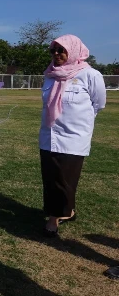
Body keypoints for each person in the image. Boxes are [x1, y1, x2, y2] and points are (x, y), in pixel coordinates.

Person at [40, 35, 106, 237]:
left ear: (74, 51)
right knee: (50, 177)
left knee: (66, 179)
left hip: (74, 136)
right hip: (49, 134)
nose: (57, 54)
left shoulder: (90, 75)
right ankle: (65, 211)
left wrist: (81, 122)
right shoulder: (50, 75)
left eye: (61, 50)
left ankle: (55, 218)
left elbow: (98, 103)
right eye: (54, 50)